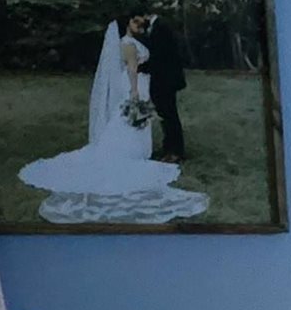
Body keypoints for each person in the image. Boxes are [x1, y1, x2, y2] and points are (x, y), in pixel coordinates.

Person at [17, 14, 206, 225]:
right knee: (131, 120)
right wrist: (134, 91)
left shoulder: (137, 39)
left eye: (140, 21)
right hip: (136, 85)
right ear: (127, 24)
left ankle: (152, 149)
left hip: (144, 83)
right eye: (135, 21)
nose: (140, 24)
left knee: (141, 119)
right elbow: (132, 68)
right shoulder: (128, 43)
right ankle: (131, 151)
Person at [140, 12, 189, 161]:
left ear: (147, 15)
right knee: (165, 114)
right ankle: (169, 147)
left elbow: (160, 56)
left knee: (169, 115)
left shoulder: (161, 28)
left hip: (166, 79)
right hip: (162, 78)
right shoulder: (157, 27)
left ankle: (176, 150)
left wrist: (140, 67)